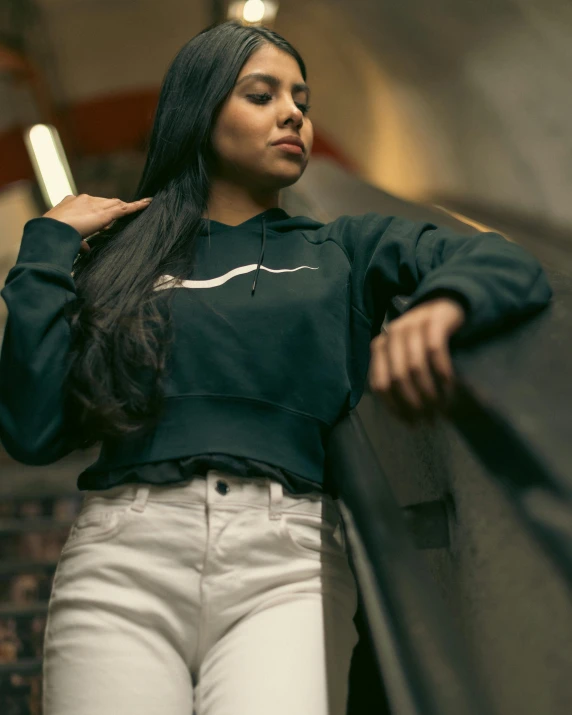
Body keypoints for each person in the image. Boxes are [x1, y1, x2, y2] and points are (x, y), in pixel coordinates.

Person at [0, 19, 552, 715]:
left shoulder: (343, 246)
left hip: (286, 563)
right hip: (121, 558)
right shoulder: (120, 263)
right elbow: (33, 425)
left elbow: (504, 259)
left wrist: (446, 304)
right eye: (261, 95)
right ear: (199, 113)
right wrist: (45, 248)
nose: (294, 112)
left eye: (303, 100)